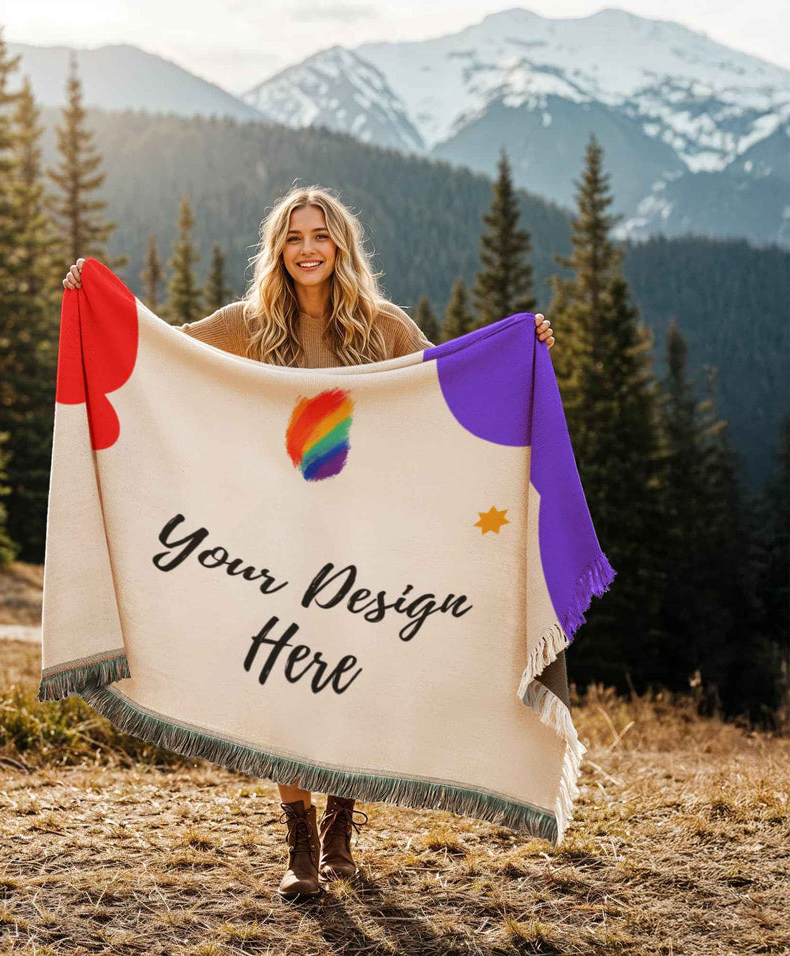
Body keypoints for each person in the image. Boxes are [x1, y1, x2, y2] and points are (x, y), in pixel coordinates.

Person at [63, 185, 554, 901]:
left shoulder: (383, 327)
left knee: (348, 677)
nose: (307, 248)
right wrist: (96, 298)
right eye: (293, 236)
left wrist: (521, 350)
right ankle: (299, 840)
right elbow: (159, 350)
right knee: (285, 680)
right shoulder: (249, 323)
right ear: (278, 249)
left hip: (362, 537)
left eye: (320, 235)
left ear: (341, 246)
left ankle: (341, 829)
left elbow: (446, 385)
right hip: (275, 537)